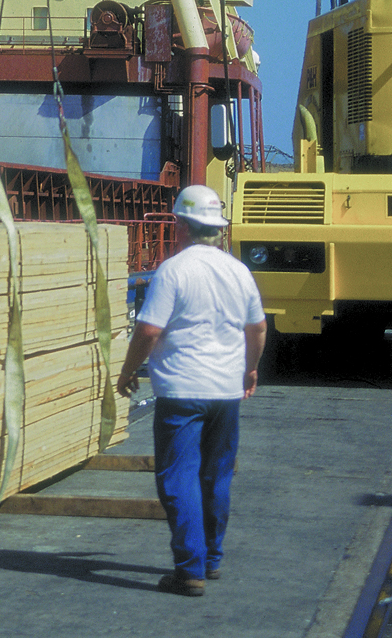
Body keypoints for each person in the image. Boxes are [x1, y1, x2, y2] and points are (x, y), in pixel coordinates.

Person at [116, 184, 267, 597]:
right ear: (217, 228)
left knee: (178, 476)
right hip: (225, 390)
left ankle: (189, 570)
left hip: (182, 390)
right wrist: (249, 370)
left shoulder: (174, 270)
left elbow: (148, 329)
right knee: (216, 474)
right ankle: (211, 559)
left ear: (180, 225)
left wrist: (128, 371)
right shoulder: (239, 271)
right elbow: (257, 328)